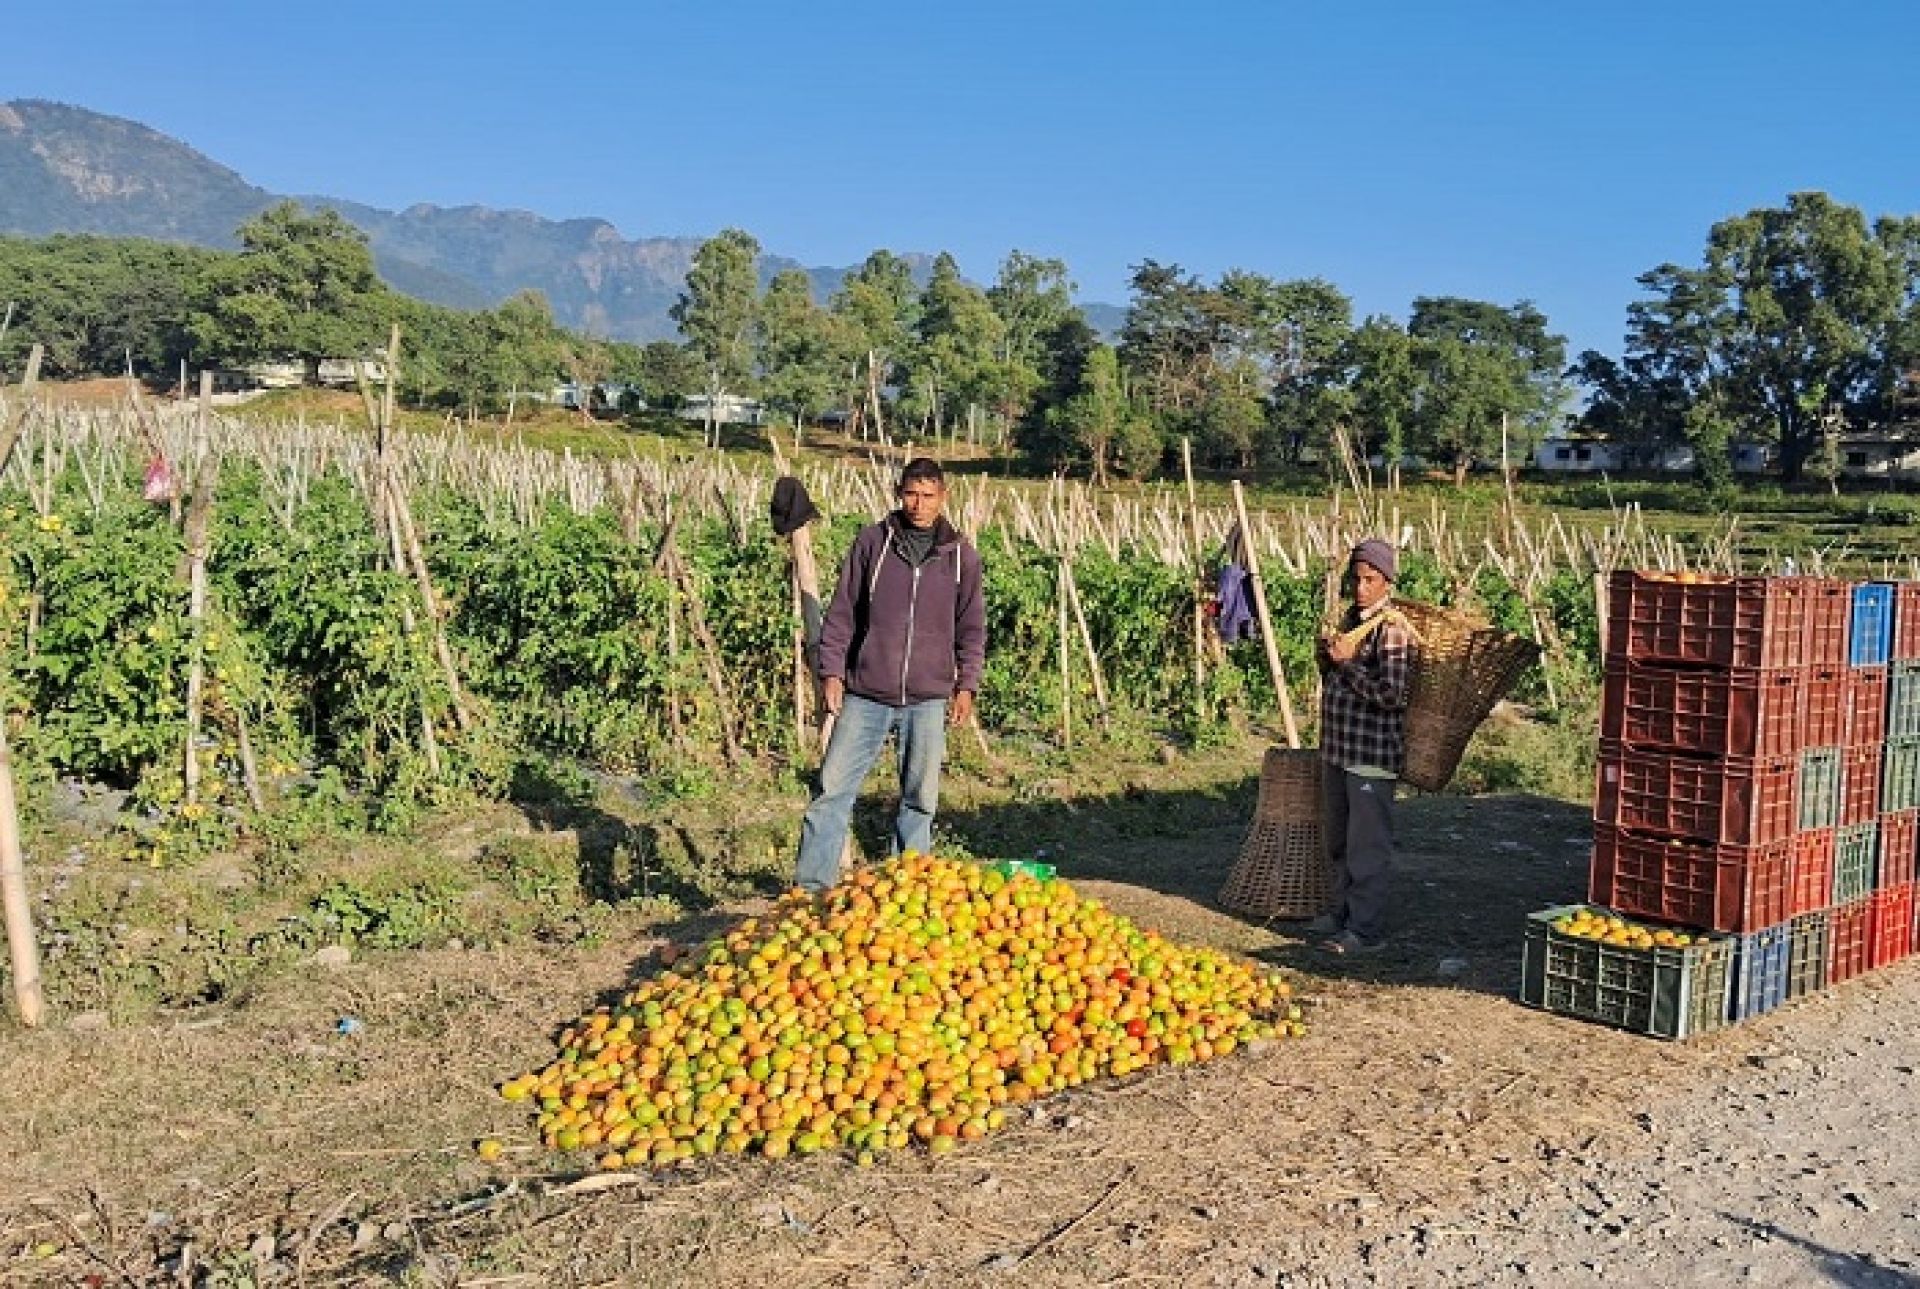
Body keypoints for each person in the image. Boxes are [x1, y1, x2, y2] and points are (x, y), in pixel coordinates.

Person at [795, 458, 986, 892]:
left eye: (928, 496)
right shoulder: (872, 543)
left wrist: (966, 685)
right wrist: (832, 673)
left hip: (927, 697)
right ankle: (809, 891)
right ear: (899, 493)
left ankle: (907, 890)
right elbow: (843, 612)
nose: (918, 505)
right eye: (911, 494)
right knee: (832, 790)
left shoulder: (961, 558)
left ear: (943, 497)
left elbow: (971, 628)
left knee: (920, 799)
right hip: (867, 693)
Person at [1313, 538, 1416, 954]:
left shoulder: (1391, 629)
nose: (1361, 588)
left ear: (1386, 582)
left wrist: (1346, 664)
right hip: (1339, 750)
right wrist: (1329, 659)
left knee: (1367, 845)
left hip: (1371, 756)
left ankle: (1364, 930)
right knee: (1336, 838)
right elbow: (1336, 680)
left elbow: (1394, 695)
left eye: (1370, 580)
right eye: (1356, 579)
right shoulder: (1351, 621)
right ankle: (1338, 913)